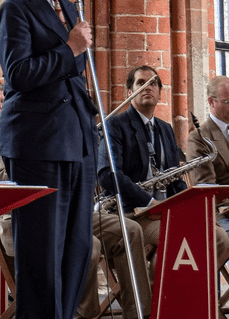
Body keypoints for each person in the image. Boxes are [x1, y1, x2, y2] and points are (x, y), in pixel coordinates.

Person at [0, 0, 98, 319]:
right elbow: (18, 74)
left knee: (77, 247)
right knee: (42, 250)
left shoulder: (70, 9)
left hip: (77, 139)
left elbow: (74, 75)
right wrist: (70, 48)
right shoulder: (15, 9)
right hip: (39, 143)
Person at [0, 114, 152, 319]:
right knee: (87, 246)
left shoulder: (52, 121)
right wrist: (46, 167)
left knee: (129, 231)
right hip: (25, 217)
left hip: (68, 211)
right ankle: (82, 315)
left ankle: (139, 314)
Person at [98, 66, 229, 274]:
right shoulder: (115, 125)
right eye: (141, 83)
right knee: (176, 237)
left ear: (160, 93)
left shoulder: (165, 129)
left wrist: (192, 209)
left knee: (220, 237)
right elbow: (108, 175)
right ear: (129, 92)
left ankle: (189, 288)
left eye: (153, 84)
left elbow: (175, 179)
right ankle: (160, 292)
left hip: (164, 211)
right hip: (131, 212)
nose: (148, 87)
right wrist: (149, 202)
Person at [186, 75, 229, 236]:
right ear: (211, 102)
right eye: (227, 102)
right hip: (221, 214)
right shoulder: (200, 137)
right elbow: (205, 190)